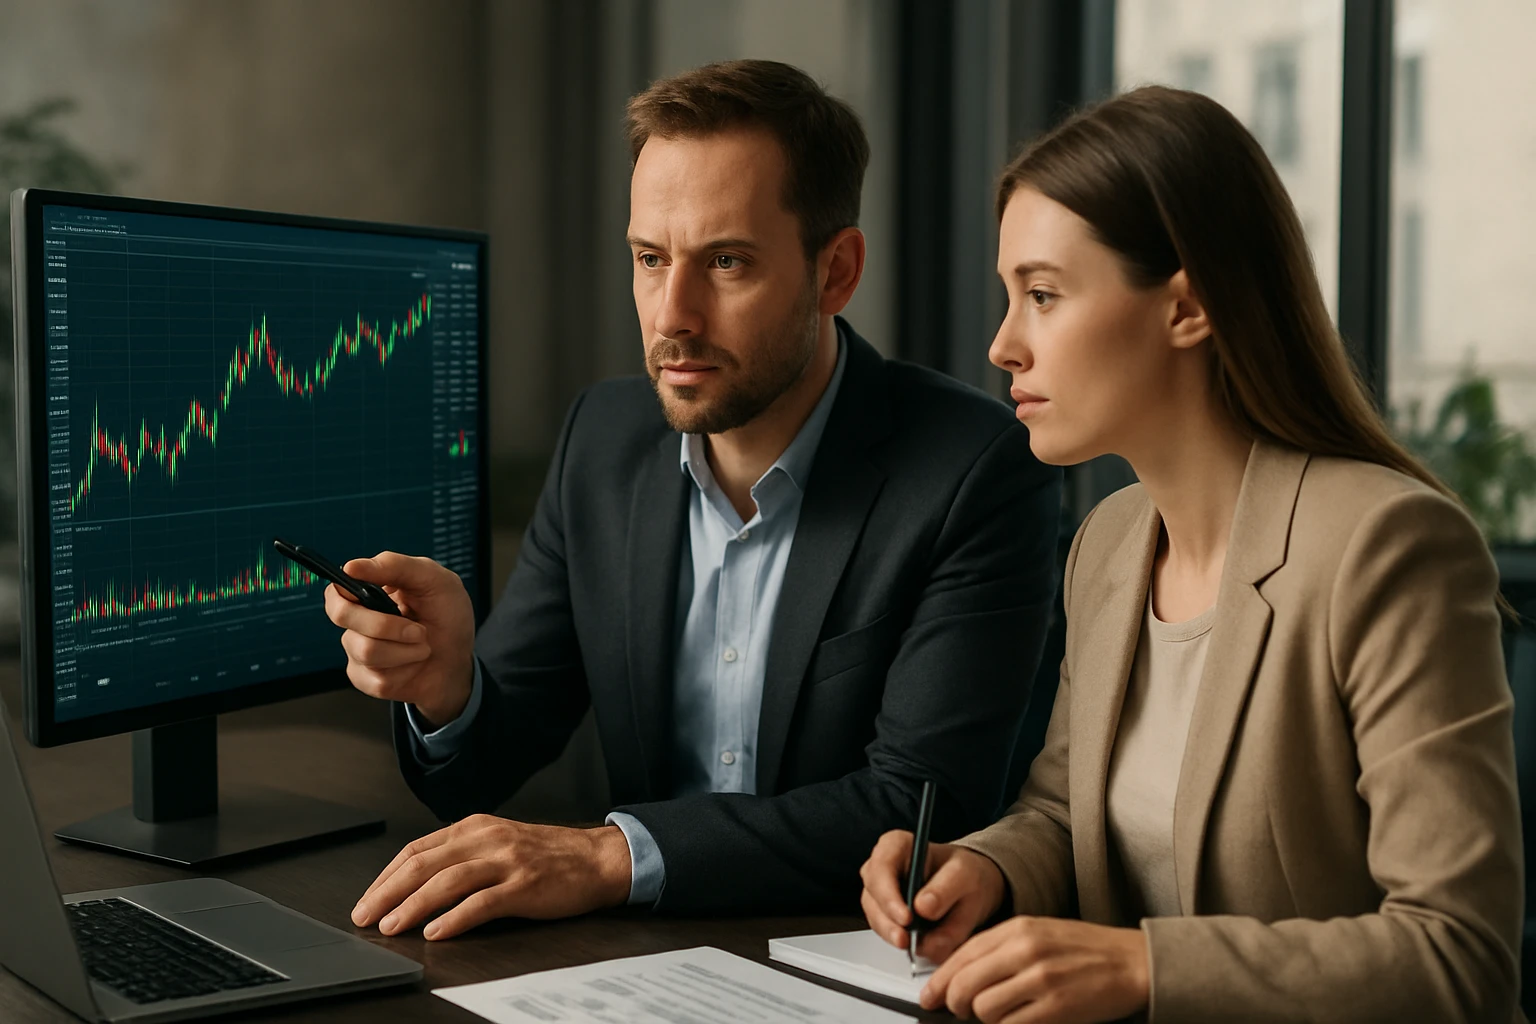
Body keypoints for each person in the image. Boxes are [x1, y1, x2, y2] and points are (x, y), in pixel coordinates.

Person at [326, 59, 1063, 940]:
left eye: (726, 261)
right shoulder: (602, 440)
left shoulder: (974, 470)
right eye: (650, 259)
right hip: (642, 963)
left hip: (855, 962)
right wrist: (450, 691)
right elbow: (487, 761)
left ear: (835, 272)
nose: (673, 313)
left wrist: (611, 856)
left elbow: (918, 807)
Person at [859, 85, 1525, 1023]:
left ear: (1186, 307)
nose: (1004, 344)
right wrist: (982, 868)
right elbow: (1064, 812)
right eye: (1011, 297)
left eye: (1042, 295)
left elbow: (1459, 953)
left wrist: (1146, 968)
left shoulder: (1387, 548)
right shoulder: (1109, 542)